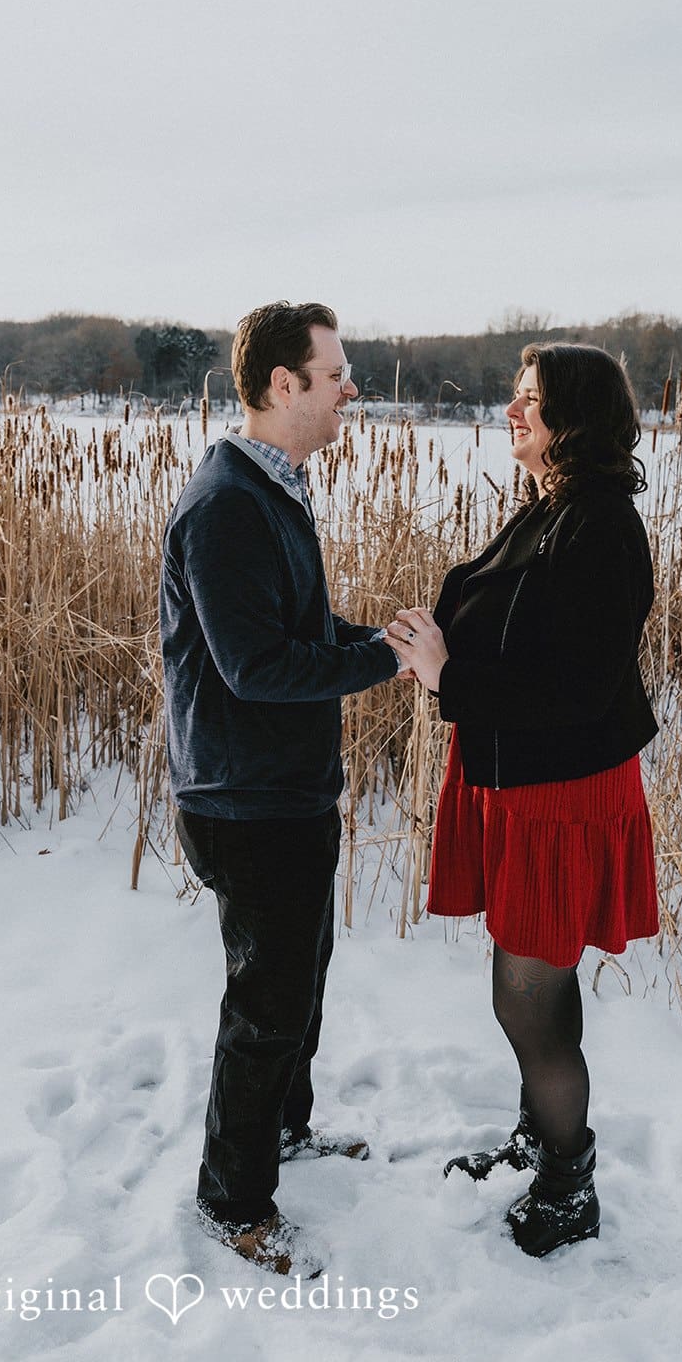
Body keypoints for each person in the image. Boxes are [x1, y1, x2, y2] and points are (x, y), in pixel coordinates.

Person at [387, 342, 659, 1258]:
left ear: (572, 419)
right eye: (512, 397)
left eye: (529, 400)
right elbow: (510, 626)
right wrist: (435, 640)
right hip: (516, 783)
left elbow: (578, 689)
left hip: (561, 795)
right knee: (531, 984)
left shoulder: (600, 527)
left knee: (525, 999)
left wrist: (445, 680)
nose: (512, 411)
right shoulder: (550, 510)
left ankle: (567, 1181)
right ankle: (538, 1137)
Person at [159, 301, 402, 1276]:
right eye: (334, 371)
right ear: (280, 385)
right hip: (244, 799)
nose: (351, 386)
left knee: (299, 978)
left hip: (284, 791)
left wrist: (378, 640)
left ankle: (285, 1131)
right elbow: (256, 666)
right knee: (263, 1005)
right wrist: (379, 664)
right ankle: (234, 1199)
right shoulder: (225, 503)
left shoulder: (274, 487)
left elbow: (296, 626)